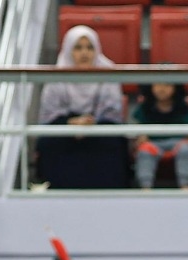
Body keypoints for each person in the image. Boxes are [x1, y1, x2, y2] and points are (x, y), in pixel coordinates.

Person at [38, 26, 132, 190]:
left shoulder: (108, 72)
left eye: (89, 48)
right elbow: (50, 114)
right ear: (68, 50)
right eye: (78, 48)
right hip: (66, 127)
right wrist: (71, 124)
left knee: (115, 140)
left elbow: (113, 113)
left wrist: (91, 124)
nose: (84, 53)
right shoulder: (56, 76)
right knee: (48, 140)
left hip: (99, 125)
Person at [129, 81, 188, 188]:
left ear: (175, 88)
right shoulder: (144, 107)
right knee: (144, 150)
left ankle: (185, 185)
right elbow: (138, 128)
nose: (162, 89)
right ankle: (145, 187)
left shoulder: (183, 107)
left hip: (178, 143)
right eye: (158, 85)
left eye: (167, 85)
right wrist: (140, 137)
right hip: (153, 143)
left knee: (186, 149)